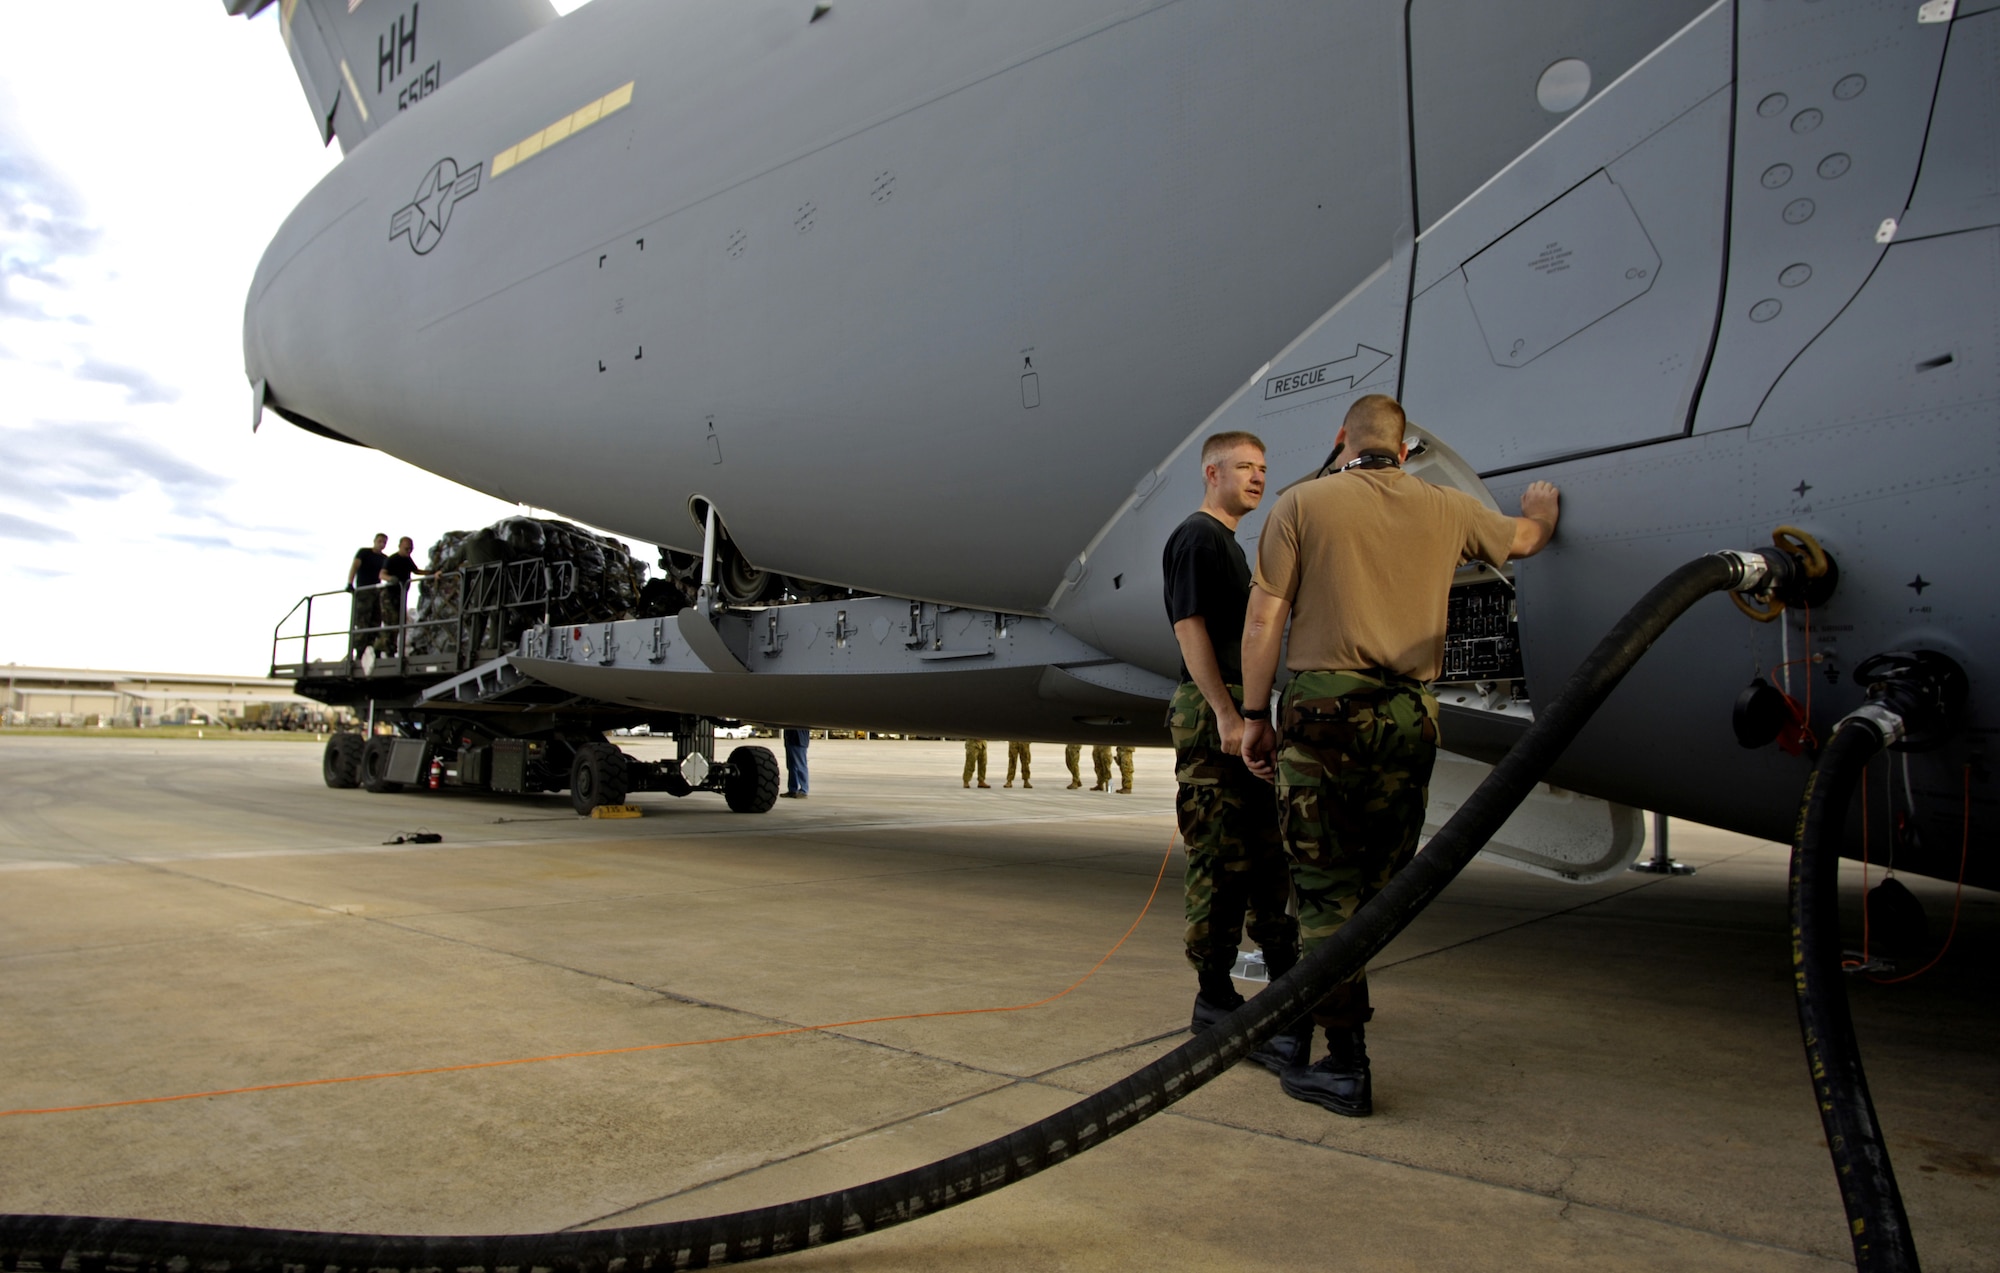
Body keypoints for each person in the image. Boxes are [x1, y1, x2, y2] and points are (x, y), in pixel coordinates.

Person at [1237, 394, 1559, 1116]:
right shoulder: (1447, 508)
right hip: (1409, 718)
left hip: (1325, 715)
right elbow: (1526, 540)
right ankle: (1297, 1028)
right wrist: (1541, 509)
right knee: (1377, 888)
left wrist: (1254, 715)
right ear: (1406, 447)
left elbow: (1265, 618)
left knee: (1323, 890)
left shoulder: (1302, 504)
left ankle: (1342, 1063)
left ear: (1341, 438)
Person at [1162, 429, 1300, 1068]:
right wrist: (1224, 712)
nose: (1257, 477)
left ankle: (1283, 985)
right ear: (1211, 473)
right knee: (1221, 858)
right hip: (1215, 712)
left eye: (1263, 468)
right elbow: (1189, 627)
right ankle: (1214, 999)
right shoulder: (1198, 538)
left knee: (1263, 851)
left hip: (1241, 712)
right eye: (1244, 467)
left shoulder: (1230, 545)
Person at [461, 527, 511, 655]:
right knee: (498, 613)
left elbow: (454, 560)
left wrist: (440, 570)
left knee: (479, 614)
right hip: (500, 581)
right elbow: (514, 556)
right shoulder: (501, 544)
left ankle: (474, 646)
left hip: (482, 582)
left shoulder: (470, 545)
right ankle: (494, 645)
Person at [378, 536, 428, 654]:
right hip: (389, 596)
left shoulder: (407, 560)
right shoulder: (393, 559)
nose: (408, 551)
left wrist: (431, 572)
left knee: (400, 622)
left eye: (410, 549)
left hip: (401, 595)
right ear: (400, 546)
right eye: (406, 548)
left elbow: (416, 571)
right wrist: (391, 579)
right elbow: (382, 574)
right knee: (392, 621)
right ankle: (383, 647)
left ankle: (390, 647)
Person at [345, 533, 389, 656]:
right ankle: (359, 651)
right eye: (380, 541)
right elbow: (355, 566)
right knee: (362, 622)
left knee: (376, 621)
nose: (381, 544)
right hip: (364, 591)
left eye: (384, 542)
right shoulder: (364, 553)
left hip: (376, 592)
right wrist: (350, 583)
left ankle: (372, 648)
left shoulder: (384, 558)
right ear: (374, 541)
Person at [780, 727, 810, 798]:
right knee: (791, 766)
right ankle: (792, 789)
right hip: (790, 738)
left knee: (800, 766)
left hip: (799, 740)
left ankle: (804, 790)